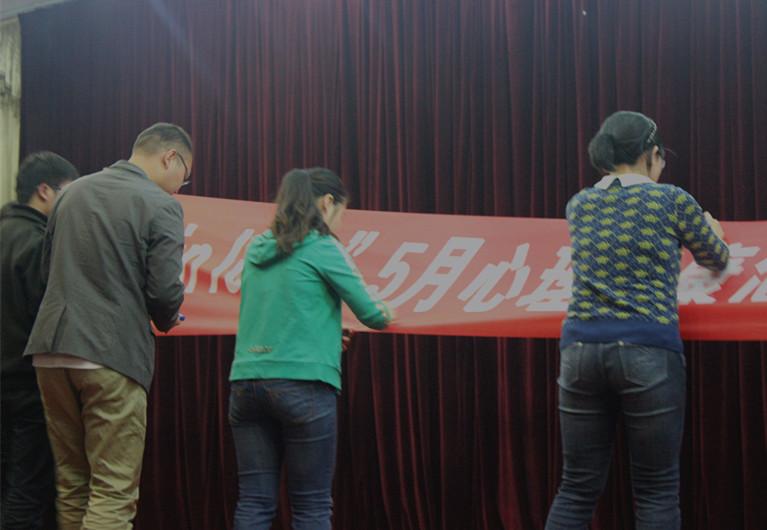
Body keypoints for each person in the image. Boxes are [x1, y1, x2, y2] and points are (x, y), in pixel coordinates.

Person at [545, 111, 730, 530]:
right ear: (652, 153)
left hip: (580, 349)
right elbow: (715, 258)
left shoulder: (580, 203)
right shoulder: (671, 200)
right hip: (648, 349)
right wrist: (714, 232)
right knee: (656, 490)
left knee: (575, 489)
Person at [23, 123, 192, 530]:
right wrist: (168, 318)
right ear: (170, 157)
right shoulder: (161, 204)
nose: (180, 186)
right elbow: (164, 291)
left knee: (71, 483)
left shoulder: (72, 193)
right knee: (113, 490)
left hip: (50, 349)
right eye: (184, 176)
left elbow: (45, 273)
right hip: (111, 353)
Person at [229, 167, 392, 529]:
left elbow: (278, 311)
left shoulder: (256, 248)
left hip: (246, 383)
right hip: (304, 386)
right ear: (327, 202)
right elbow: (374, 315)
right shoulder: (323, 247)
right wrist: (391, 310)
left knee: (254, 502)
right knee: (311, 506)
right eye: (342, 212)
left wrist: (326, 335)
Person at [1, 152, 79, 529]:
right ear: (44, 191)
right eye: (67, 193)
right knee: (28, 491)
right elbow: (47, 317)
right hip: (26, 384)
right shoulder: (38, 243)